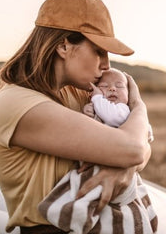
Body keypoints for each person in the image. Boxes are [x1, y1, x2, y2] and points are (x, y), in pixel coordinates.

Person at [0, 0, 152, 234]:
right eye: (99, 51)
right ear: (64, 46)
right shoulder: (15, 104)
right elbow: (134, 148)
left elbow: (141, 142)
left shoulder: (77, 94)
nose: (106, 64)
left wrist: (123, 168)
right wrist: (139, 105)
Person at [38, 68, 157, 233]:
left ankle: (76, 216)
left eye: (119, 86)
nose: (112, 89)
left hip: (111, 165)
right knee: (82, 189)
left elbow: (112, 118)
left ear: (129, 95)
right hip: (94, 162)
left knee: (96, 194)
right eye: (104, 86)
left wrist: (97, 97)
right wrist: (89, 112)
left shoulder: (124, 111)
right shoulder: (100, 107)